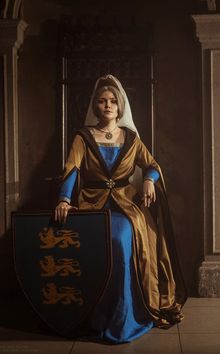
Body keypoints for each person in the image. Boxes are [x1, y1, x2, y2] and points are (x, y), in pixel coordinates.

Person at [54, 74, 187, 344]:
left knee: (120, 240)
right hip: (92, 204)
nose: (107, 105)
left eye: (113, 101)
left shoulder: (131, 139)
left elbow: (152, 166)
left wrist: (149, 180)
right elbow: (71, 169)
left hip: (126, 206)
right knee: (100, 244)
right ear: (95, 105)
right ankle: (97, 315)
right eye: (102, 101)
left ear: (120, 107)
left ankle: (124, 316)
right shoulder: (82, 137)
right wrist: (64, 200)